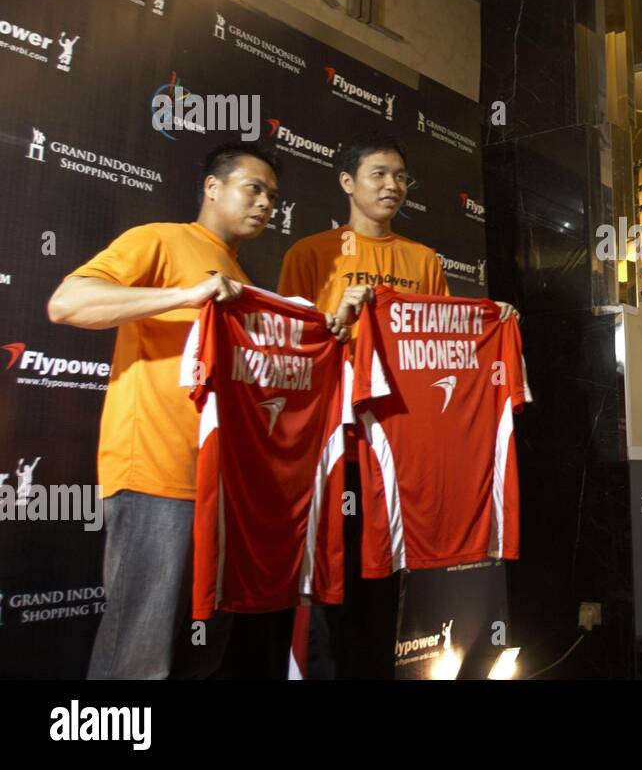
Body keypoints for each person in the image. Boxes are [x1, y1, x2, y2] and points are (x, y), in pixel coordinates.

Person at [277, 131, 517, 679]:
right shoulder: (310, 254)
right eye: (379, 175)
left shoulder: (423, 259)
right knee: (332, 593)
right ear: (347, 182)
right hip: (337, 448)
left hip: (400, 451)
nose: (393, 187)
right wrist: (341, 314)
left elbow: (445, 348)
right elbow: (292, 348)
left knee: (384, 595)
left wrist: (493, 319)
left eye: (401, 177)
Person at [47, 144, 279, 679]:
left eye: (272, 195)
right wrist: (186, 295)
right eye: (255, 188)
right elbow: (67, 302)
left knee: (203, 650)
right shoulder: (159, 239)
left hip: (219, 487)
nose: (266, 203)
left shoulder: (243, 273)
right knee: (139, 655)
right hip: (157, 474)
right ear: (213, 187)